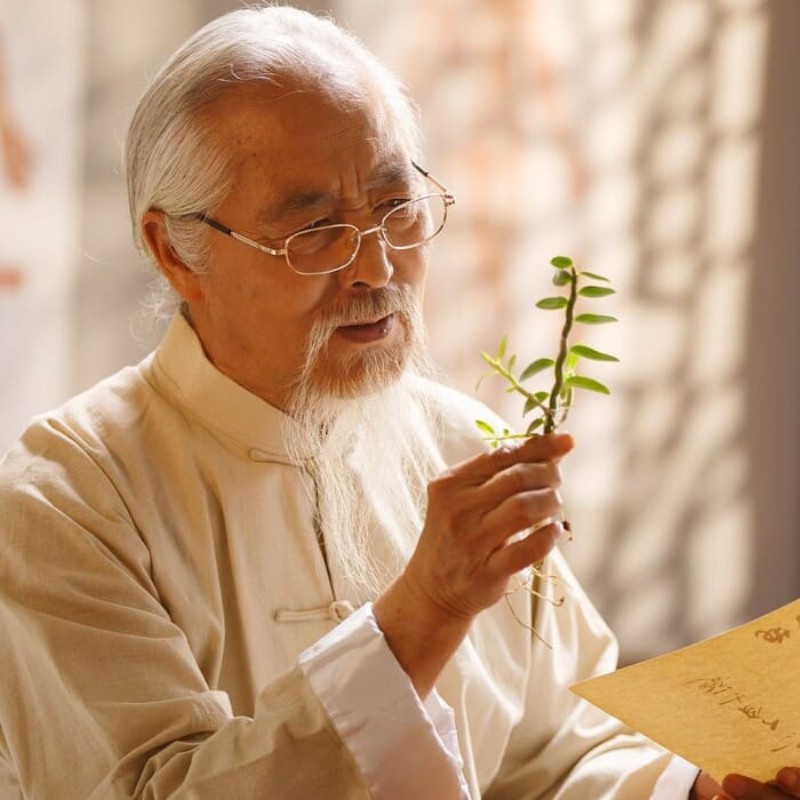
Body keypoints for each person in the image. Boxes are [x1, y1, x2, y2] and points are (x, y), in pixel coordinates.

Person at [0, 6, 795, 799]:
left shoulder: (461, 442)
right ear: (176, 249)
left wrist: (692, 790)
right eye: (314, 230)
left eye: (397, 208)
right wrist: (419, 617)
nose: (376, 269)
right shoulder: (67, 503)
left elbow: (561, 757)